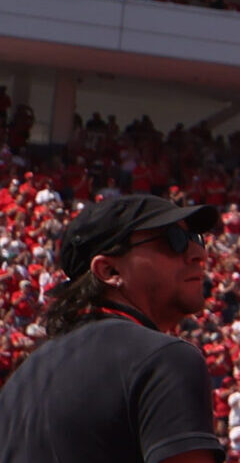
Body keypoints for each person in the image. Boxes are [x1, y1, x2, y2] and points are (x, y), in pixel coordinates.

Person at [0, 194, 224, 463]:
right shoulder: (163, 358)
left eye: (196, 239)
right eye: (174, 240)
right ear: (109, 270)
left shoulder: (19, 381)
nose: (199, 254)